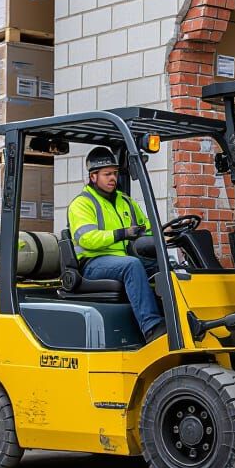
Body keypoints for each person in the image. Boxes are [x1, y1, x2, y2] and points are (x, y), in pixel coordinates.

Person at [67, 146, 166, 342]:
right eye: (107, 174)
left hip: (122, 260)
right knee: (132, 265)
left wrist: (159, 234)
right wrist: (122, 234)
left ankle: (176, 317)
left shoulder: (126, 202)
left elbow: (145, 226)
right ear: (93, 177)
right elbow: (87, 239)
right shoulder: (82, 203)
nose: (113, 178)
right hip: (93, 263)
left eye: (115, 173)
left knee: (165, 264)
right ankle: (152, 327)